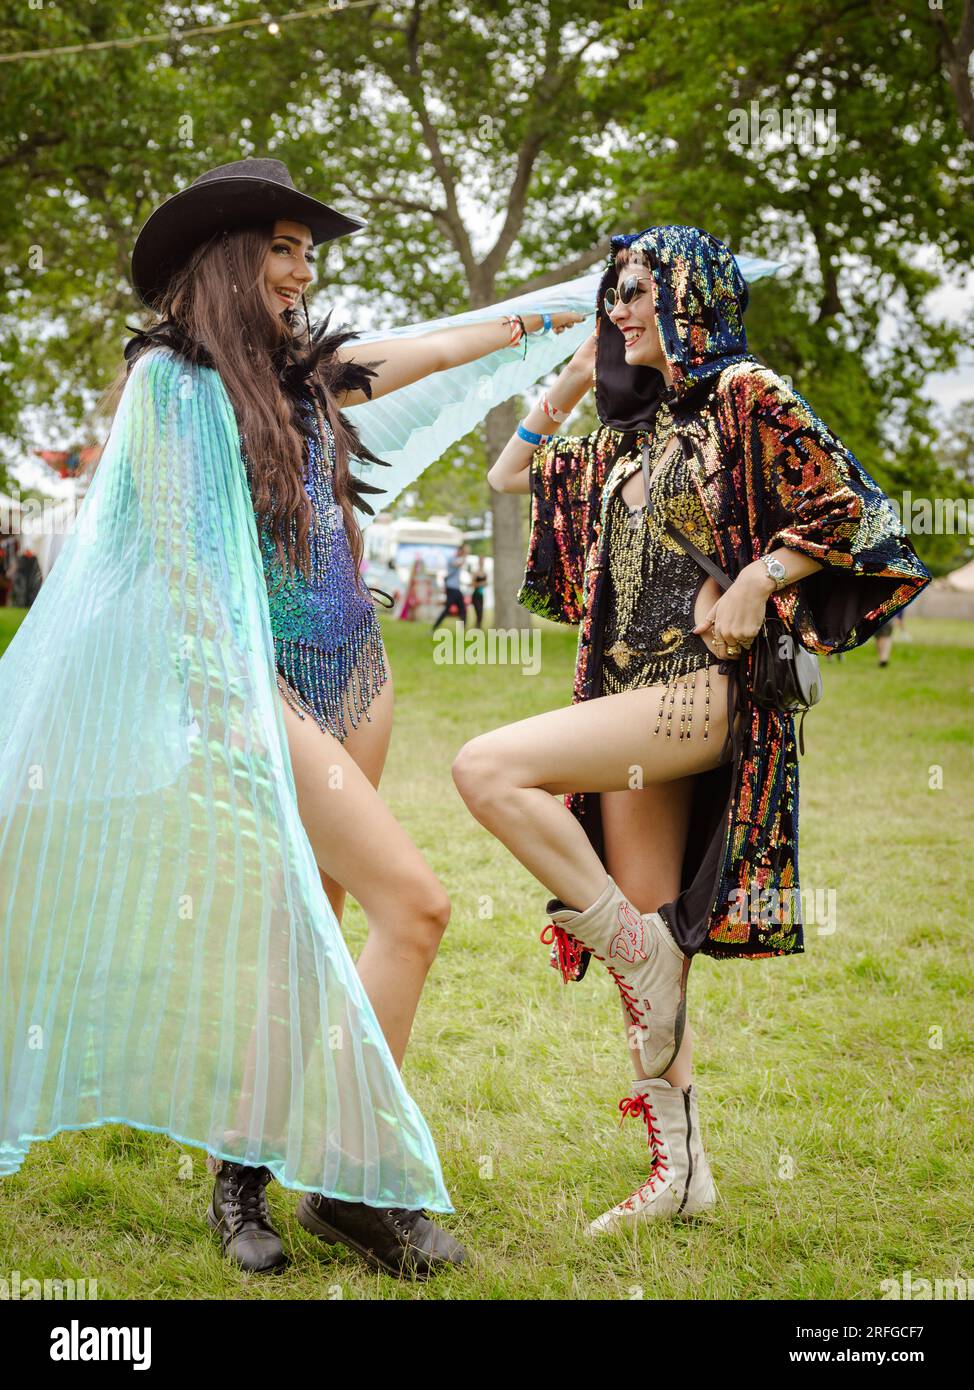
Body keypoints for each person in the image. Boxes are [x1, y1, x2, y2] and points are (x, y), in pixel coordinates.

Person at [0, 156, 582, 1279]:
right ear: (226, 259)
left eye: (309, 253)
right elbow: (181, 577)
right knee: (416, 906)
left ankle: (247, 1176)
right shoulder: (174, 389)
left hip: (357, 676)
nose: (302, 270)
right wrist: (241, 713)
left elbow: (455, 342)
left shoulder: (311, 374)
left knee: (299, 940)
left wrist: (573, 309)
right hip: (263, 693)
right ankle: (353, 1184)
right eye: (283, 247)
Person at [452, 224, 931, 1234]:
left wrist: (762, 575)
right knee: (647, 925)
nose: (619, 307)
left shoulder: (742, 394)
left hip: (699, 699)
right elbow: (506, 476)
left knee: (485, 767)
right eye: (611, 293)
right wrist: (581, 373)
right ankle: (679, 1171)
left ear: (687, 296)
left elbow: (850, 506)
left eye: (633, 291)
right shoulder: (631, 434)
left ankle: (638, 951)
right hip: (626, 711)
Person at [431, 541, 469, 631]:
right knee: (447, 609)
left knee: (463, 610)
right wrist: (465, 555)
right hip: (451, 588)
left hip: (456, 588)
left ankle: (461, 630)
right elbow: (457, 564)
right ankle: (434, 628)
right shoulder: (451, 559)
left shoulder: (459, 559)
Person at [470, 558, 489, 629]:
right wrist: (481, 583)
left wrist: (483, 584)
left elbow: (486, 584)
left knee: (481, 612)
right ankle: (477, 626)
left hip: (481, 595)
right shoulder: (475, 573)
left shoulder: (485, 573)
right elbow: (472, 584)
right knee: (478, 610)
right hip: (475, 594)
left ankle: (478, 626)